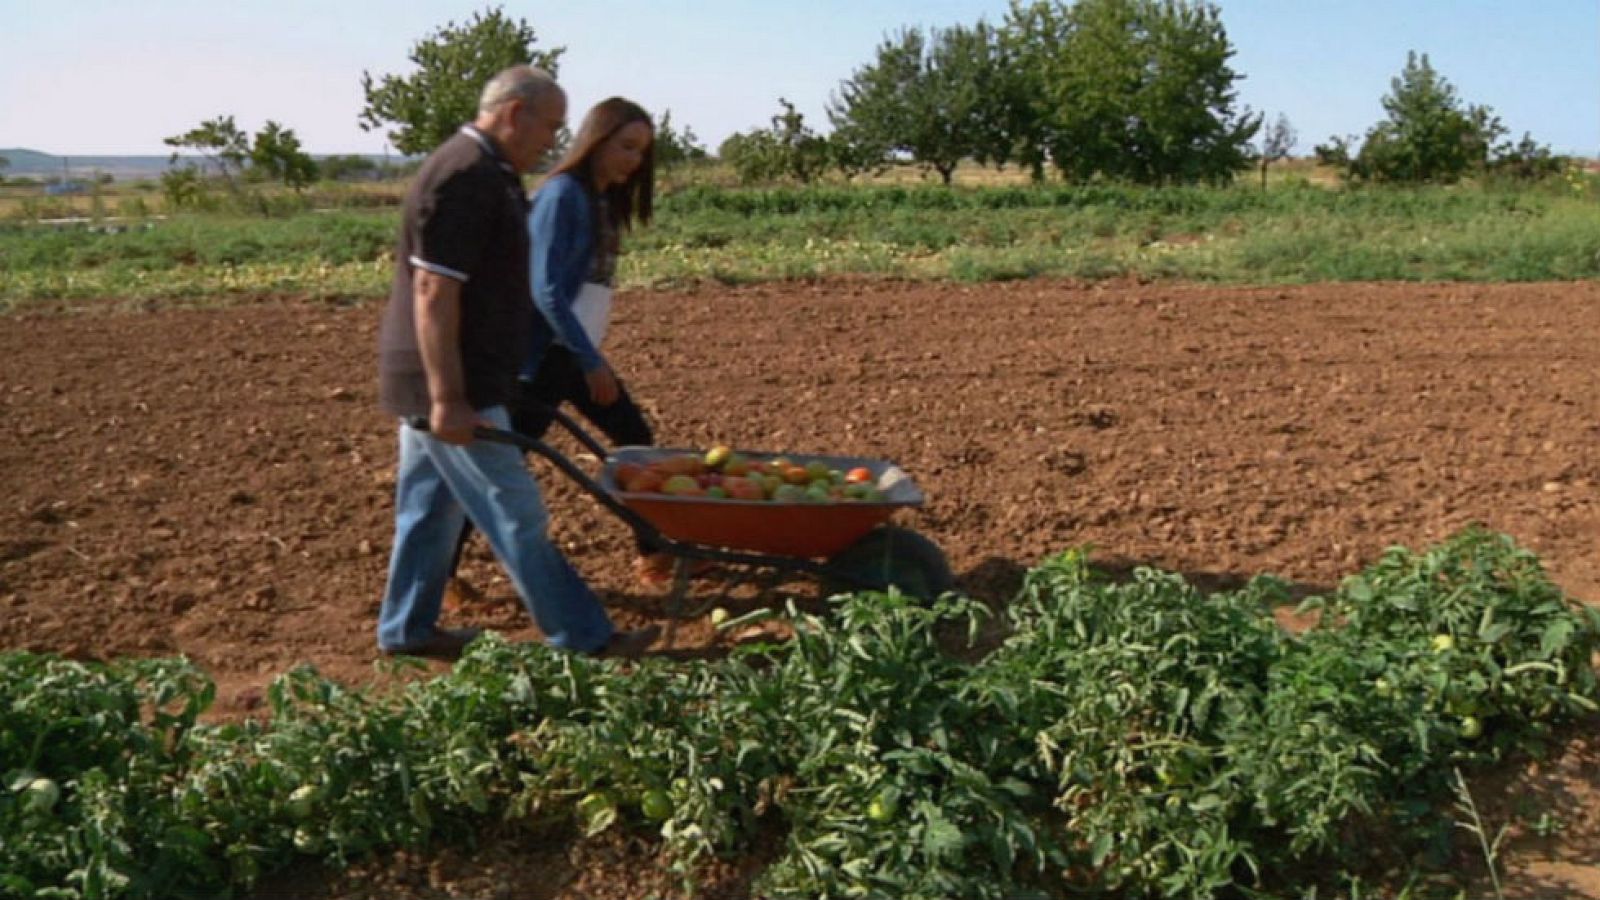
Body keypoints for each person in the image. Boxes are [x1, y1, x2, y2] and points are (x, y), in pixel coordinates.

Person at [375, 65, 659, 661]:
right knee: (517, 514)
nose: (553, 141)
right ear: (512, 114)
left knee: (428, 512)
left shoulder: (491, 173)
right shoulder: (466, 175)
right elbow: (434, 292)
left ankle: (407, 630)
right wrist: (449, 396)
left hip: (450, 377)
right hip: (455, 383)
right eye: (550, 126)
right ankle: (586, 637)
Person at [448, 97, 694, 588]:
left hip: (568, 355)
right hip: (541, 360)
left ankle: (655, 555)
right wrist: (589, 358)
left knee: (634, 442)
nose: (634, 160)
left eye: (641, 152)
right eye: (625, 147)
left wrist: (586, 355)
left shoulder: (598, 200)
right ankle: (438, 571)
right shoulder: (564, 195)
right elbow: (544, 290)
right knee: (501, 467)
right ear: (596, 141)